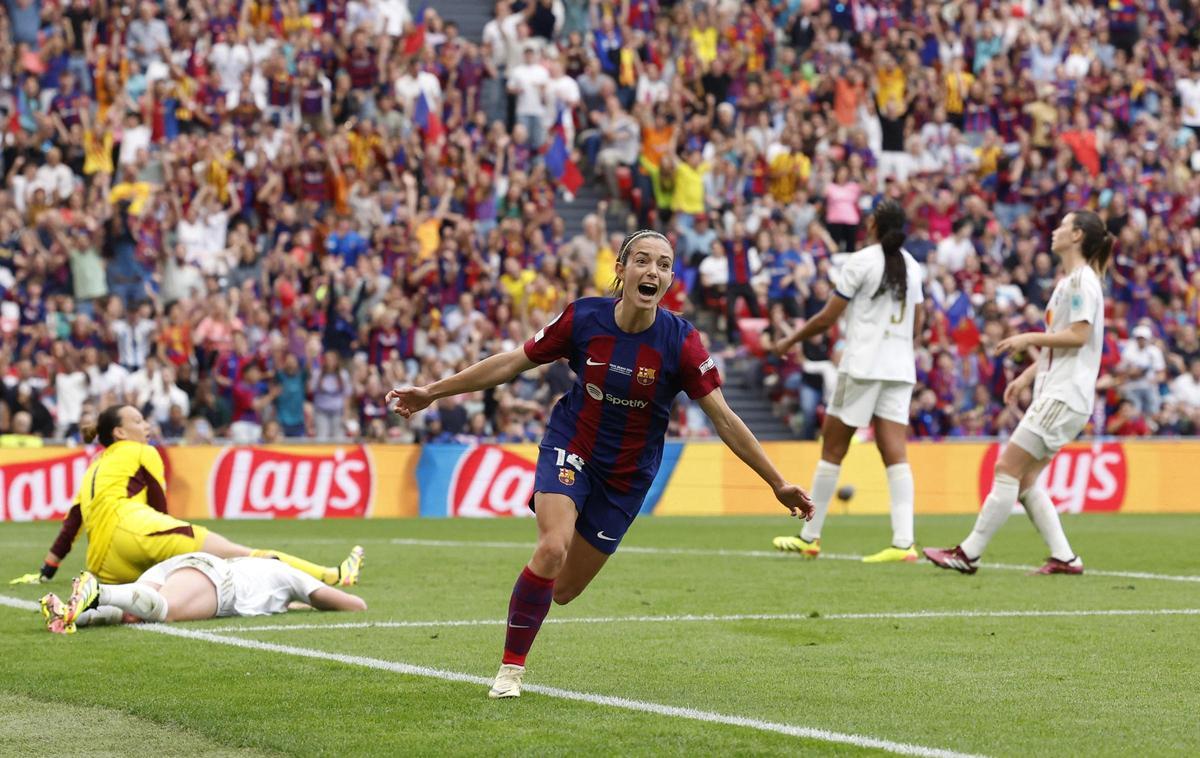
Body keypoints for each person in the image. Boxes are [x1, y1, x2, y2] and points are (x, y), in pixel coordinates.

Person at [386, 229, 814, 699]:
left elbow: (725, 420)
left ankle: (527, 601)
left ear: (670, 279)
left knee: (563, 589)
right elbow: (511, 363)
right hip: (572, 445)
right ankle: (510, 671)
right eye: (643, 261)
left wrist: (777, 482)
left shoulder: (681, 342)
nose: (653, 271)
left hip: (627, 476)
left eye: (664, 265)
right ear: (621, 269)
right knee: (552, 548)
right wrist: (431, 392)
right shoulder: (584, 318)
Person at [924, 211, 1113, 575]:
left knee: (1006, 468)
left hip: (1064, 395)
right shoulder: (1070, 282)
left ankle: (968, 553)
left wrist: (1028, 338)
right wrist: (1028, 375)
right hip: (1059, 392)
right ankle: (1066, 558)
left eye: (1062, 225)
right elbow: (1064, 347)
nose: (1055, 230)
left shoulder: (1082, 283)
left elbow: (1078, 336)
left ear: (1076, 236)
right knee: (1025, 480)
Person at [7, 405, 364, 588]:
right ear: (120, 432)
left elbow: (72, 525)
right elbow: (160, 507)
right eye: (138, 419)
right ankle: (332, 576)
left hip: (101, 562)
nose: (145, 424)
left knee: (155, 594)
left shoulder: (94, 470)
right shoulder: (142, 451)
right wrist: (183, 539)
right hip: (135, 531)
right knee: (240, 556)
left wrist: (45, 571)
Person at [768, 200, 925, 563]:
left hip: (863, 365)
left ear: (872, 224)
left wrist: (790, 340)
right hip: (900, 368)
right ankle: (904, 543)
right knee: (895, 454)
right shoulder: (913, 267)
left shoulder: (863, 261)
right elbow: (918, 323)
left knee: (833, 449)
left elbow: (827, 318)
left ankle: (810, 535)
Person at [39, 552, 367, 634]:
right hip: (219, 581)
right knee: (166, 611)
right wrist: (313, 595)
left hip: (184, 566)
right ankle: (100, 591)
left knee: (133, 613)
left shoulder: (265, 575)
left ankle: (72, 616)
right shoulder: (286, 572)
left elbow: (289, 604)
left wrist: (298, 605)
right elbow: (354, 605)